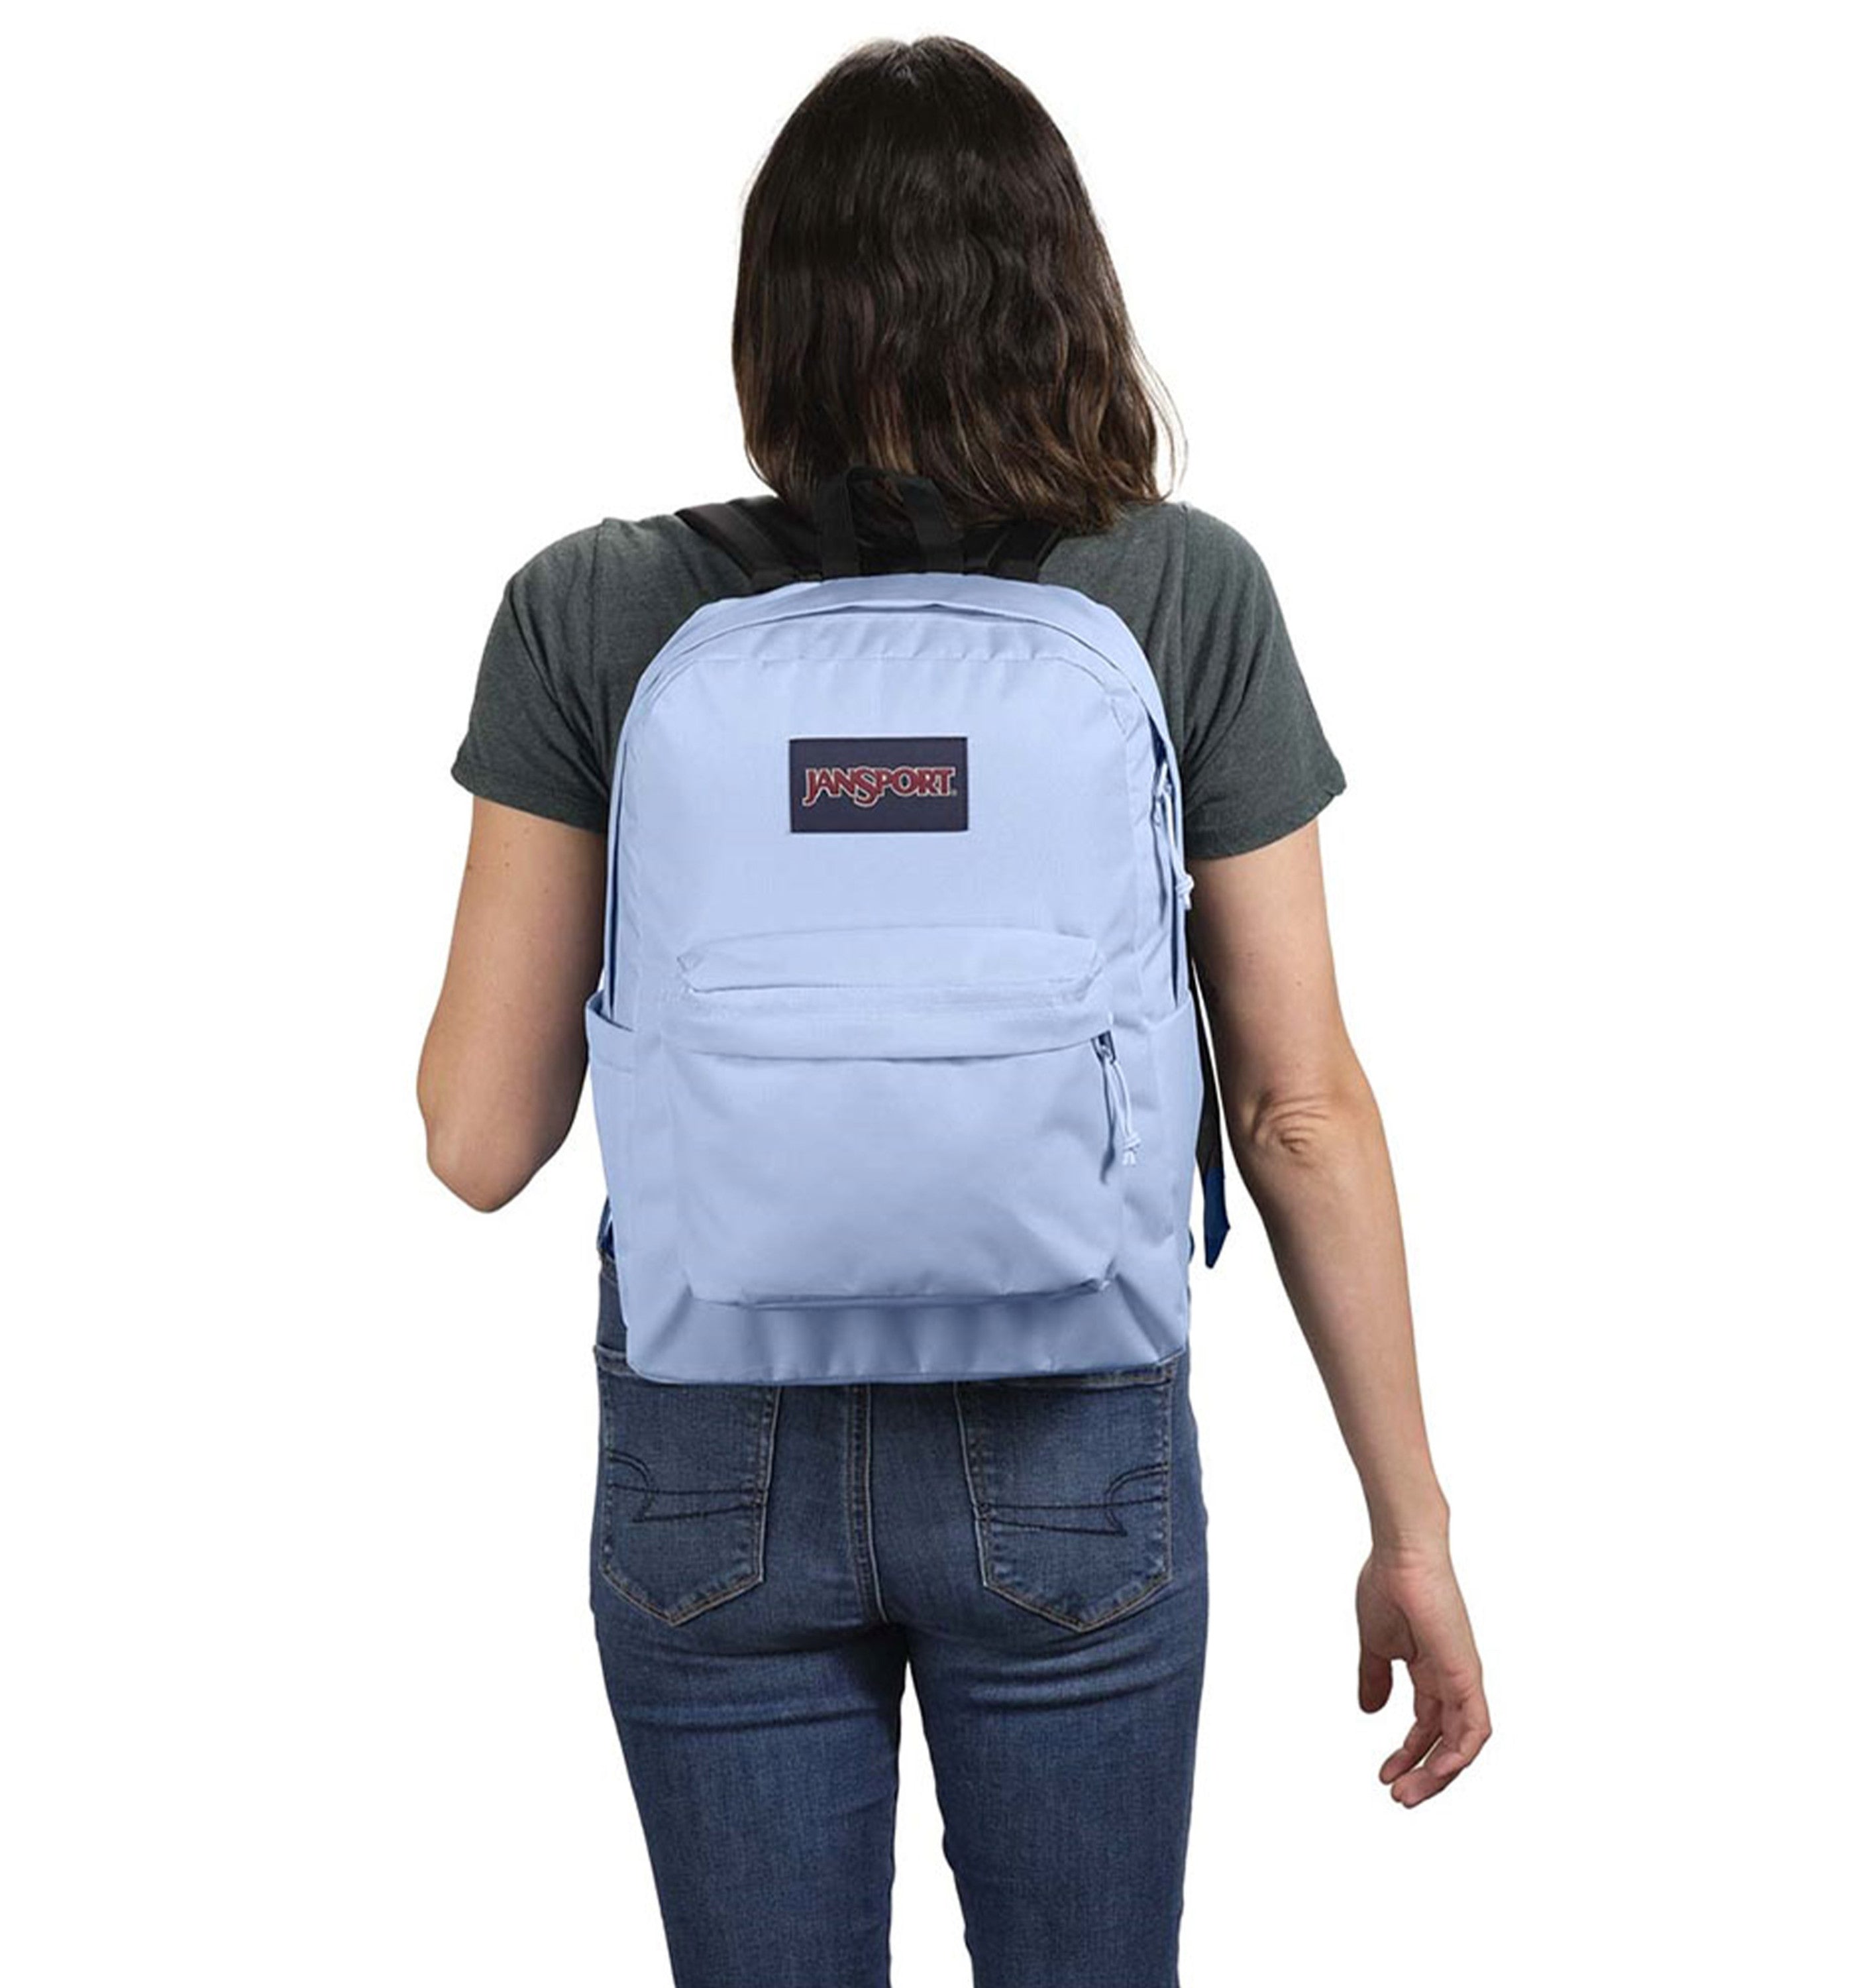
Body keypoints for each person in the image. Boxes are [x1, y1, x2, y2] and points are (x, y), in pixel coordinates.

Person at [418, 33, 1490, 1988]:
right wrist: (1409, 1528)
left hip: (710, 1453)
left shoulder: (591, 610)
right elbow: (1300, 1108)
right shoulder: (1182, 592)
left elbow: (480, 1144)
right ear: (1065, 292)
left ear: (772, 313)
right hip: (1069, 1435)